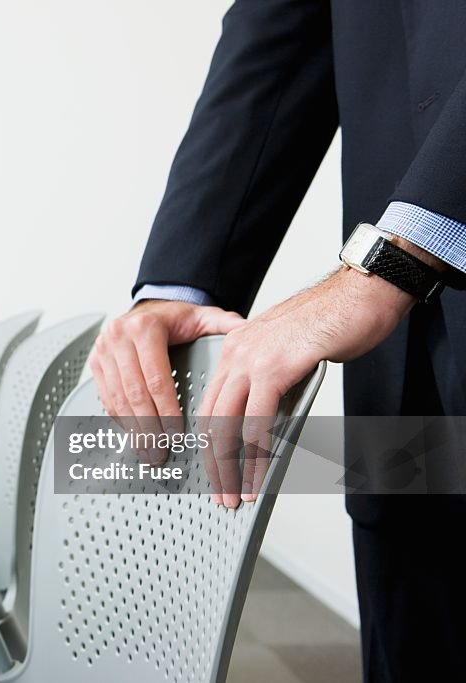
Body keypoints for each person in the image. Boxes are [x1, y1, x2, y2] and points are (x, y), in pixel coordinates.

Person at [90, 2, 466, 681]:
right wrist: (181, 284)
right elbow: (277, 35)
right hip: (405, 375)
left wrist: (399, 258)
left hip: (396, 291)